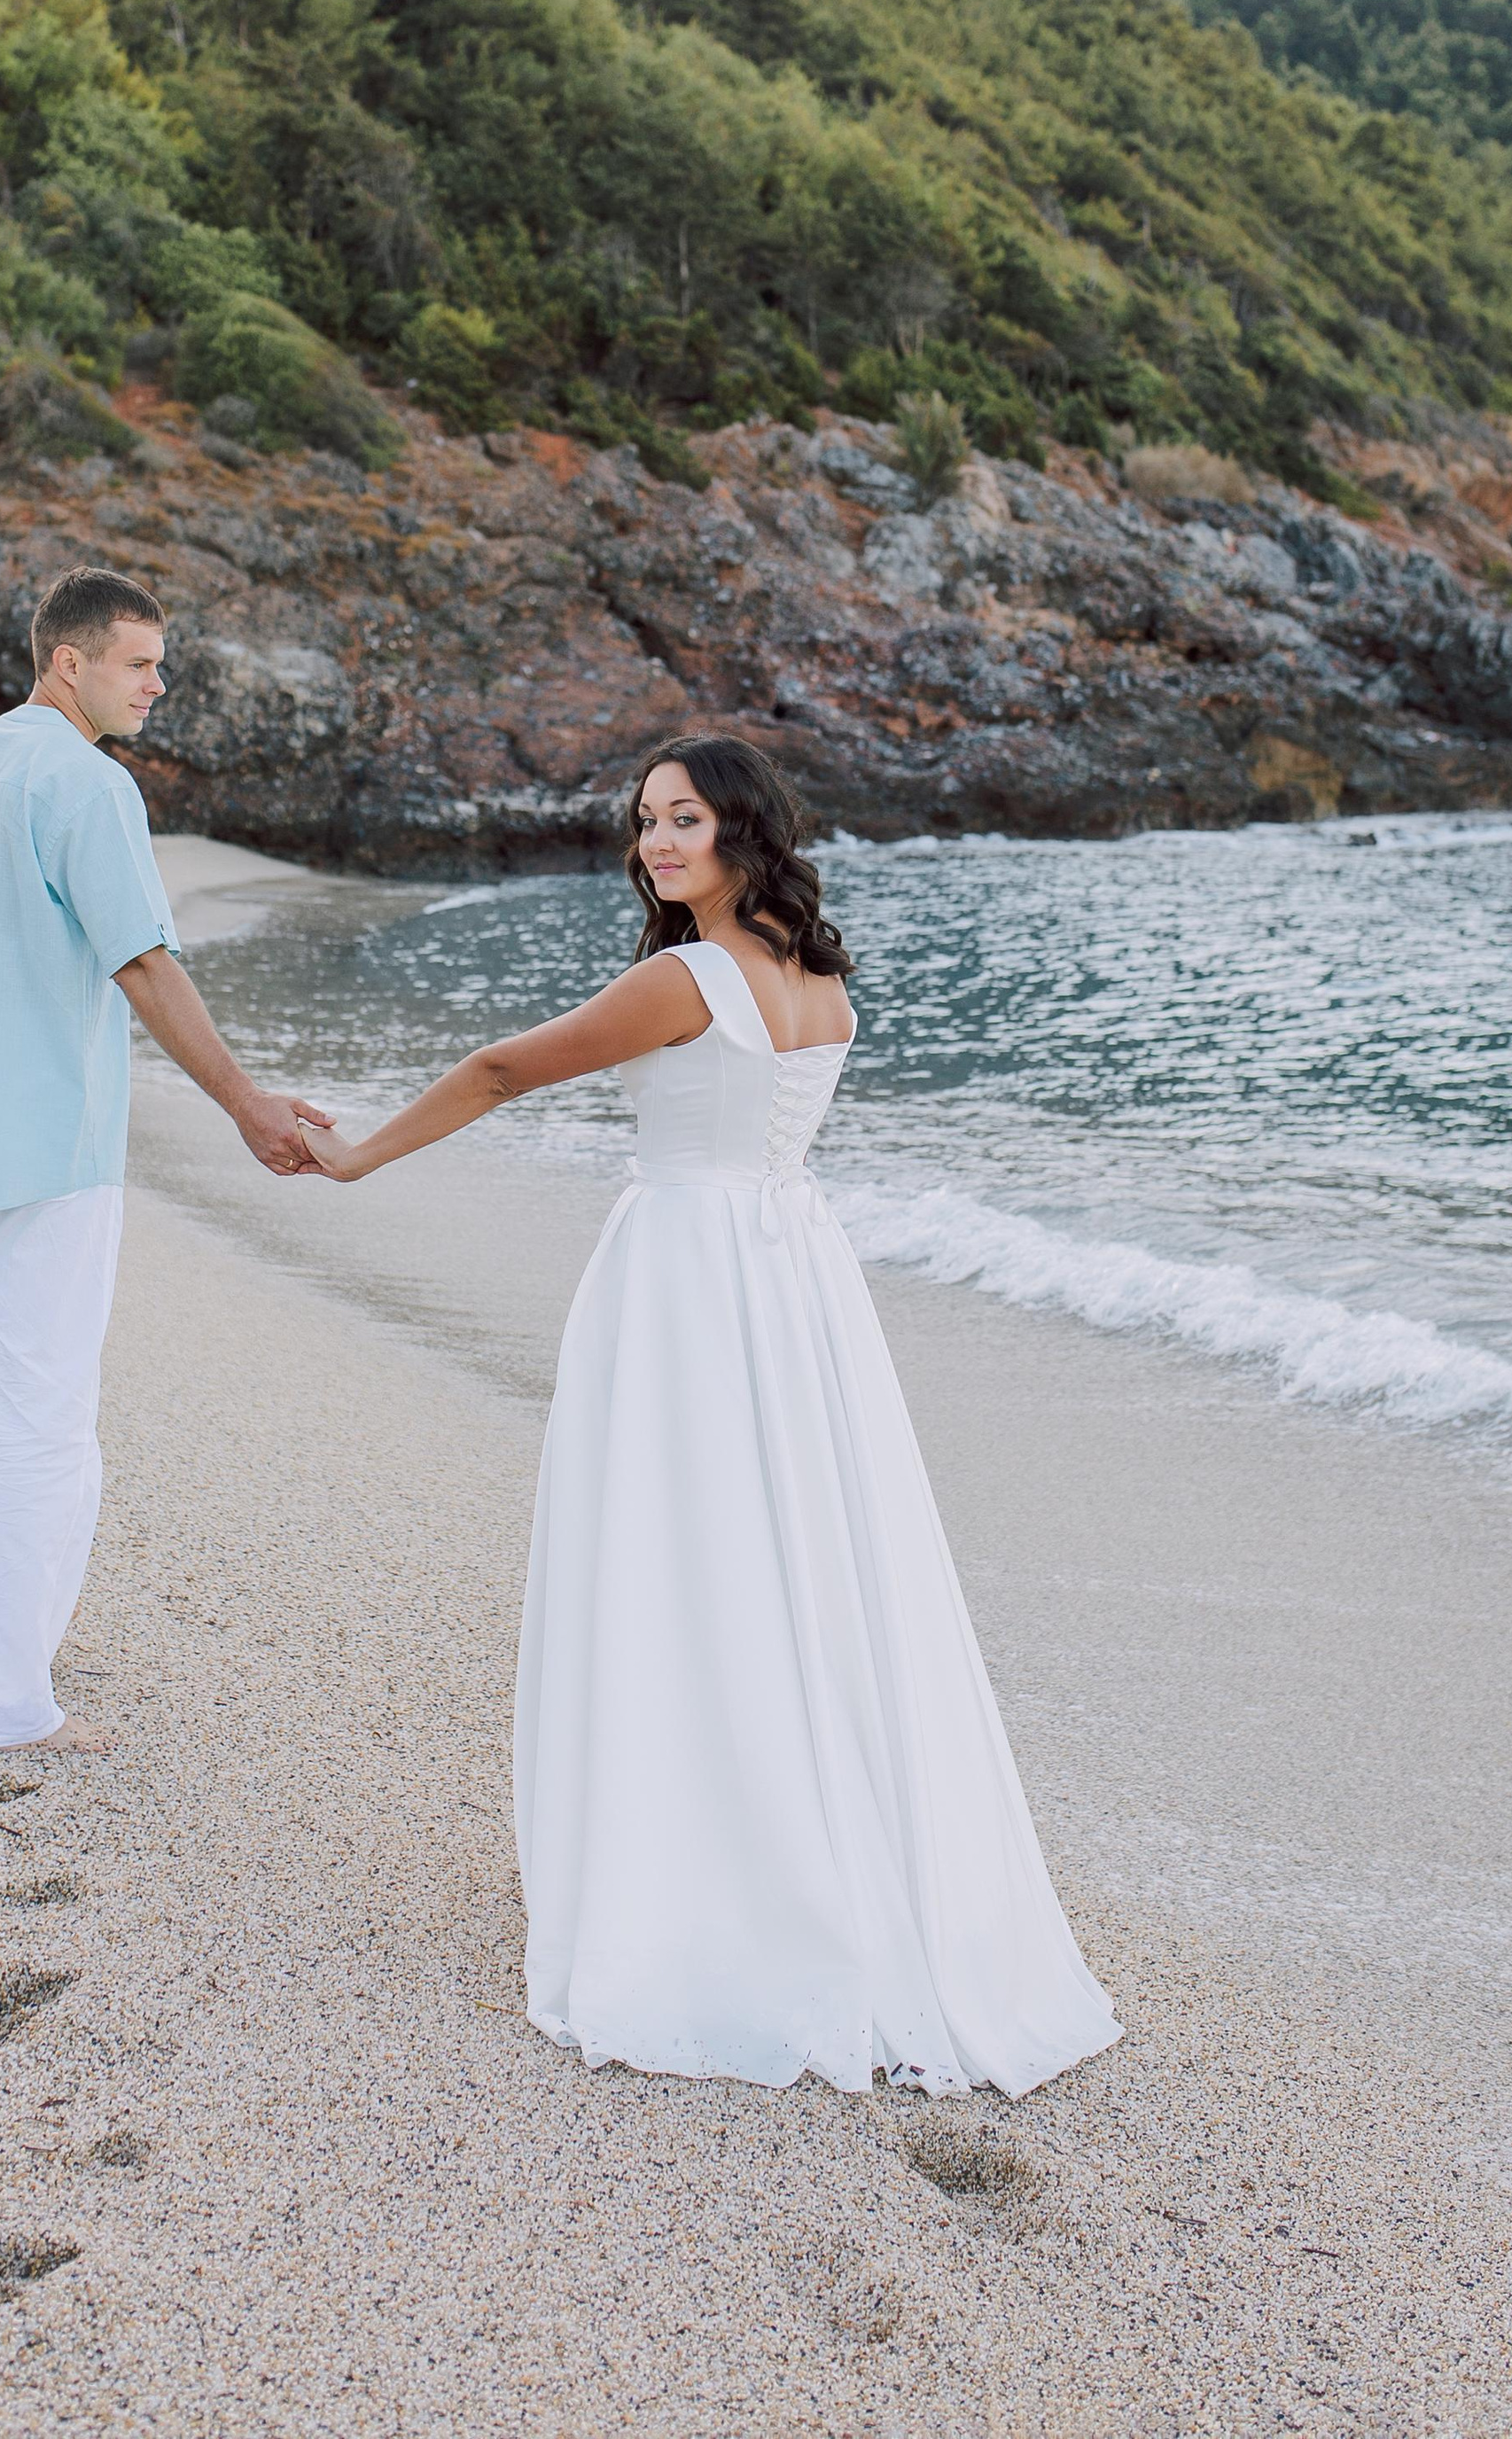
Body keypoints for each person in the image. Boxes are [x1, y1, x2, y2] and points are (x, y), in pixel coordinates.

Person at [300, 735, 1119, 2097]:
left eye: (682, 820)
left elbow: (507, 1069)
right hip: (793, 1285)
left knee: (687, 1567)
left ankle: (723, 1888)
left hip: (689, 1281)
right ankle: (823, 1861)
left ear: (743, 830)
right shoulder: (819, 976)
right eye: (643, 824)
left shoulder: (683, 978)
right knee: (806, 1570)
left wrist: (355, 1155)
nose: (656, 844)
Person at [0, 565, 326, 1757]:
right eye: (140, 663)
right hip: (52, 1147)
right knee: (47, 1424)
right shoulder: (88, 785)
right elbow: (144, 965)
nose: (157, 684)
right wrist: (245, 1106)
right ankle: (10, 1701)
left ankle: (10, 1650)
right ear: (68, 663)